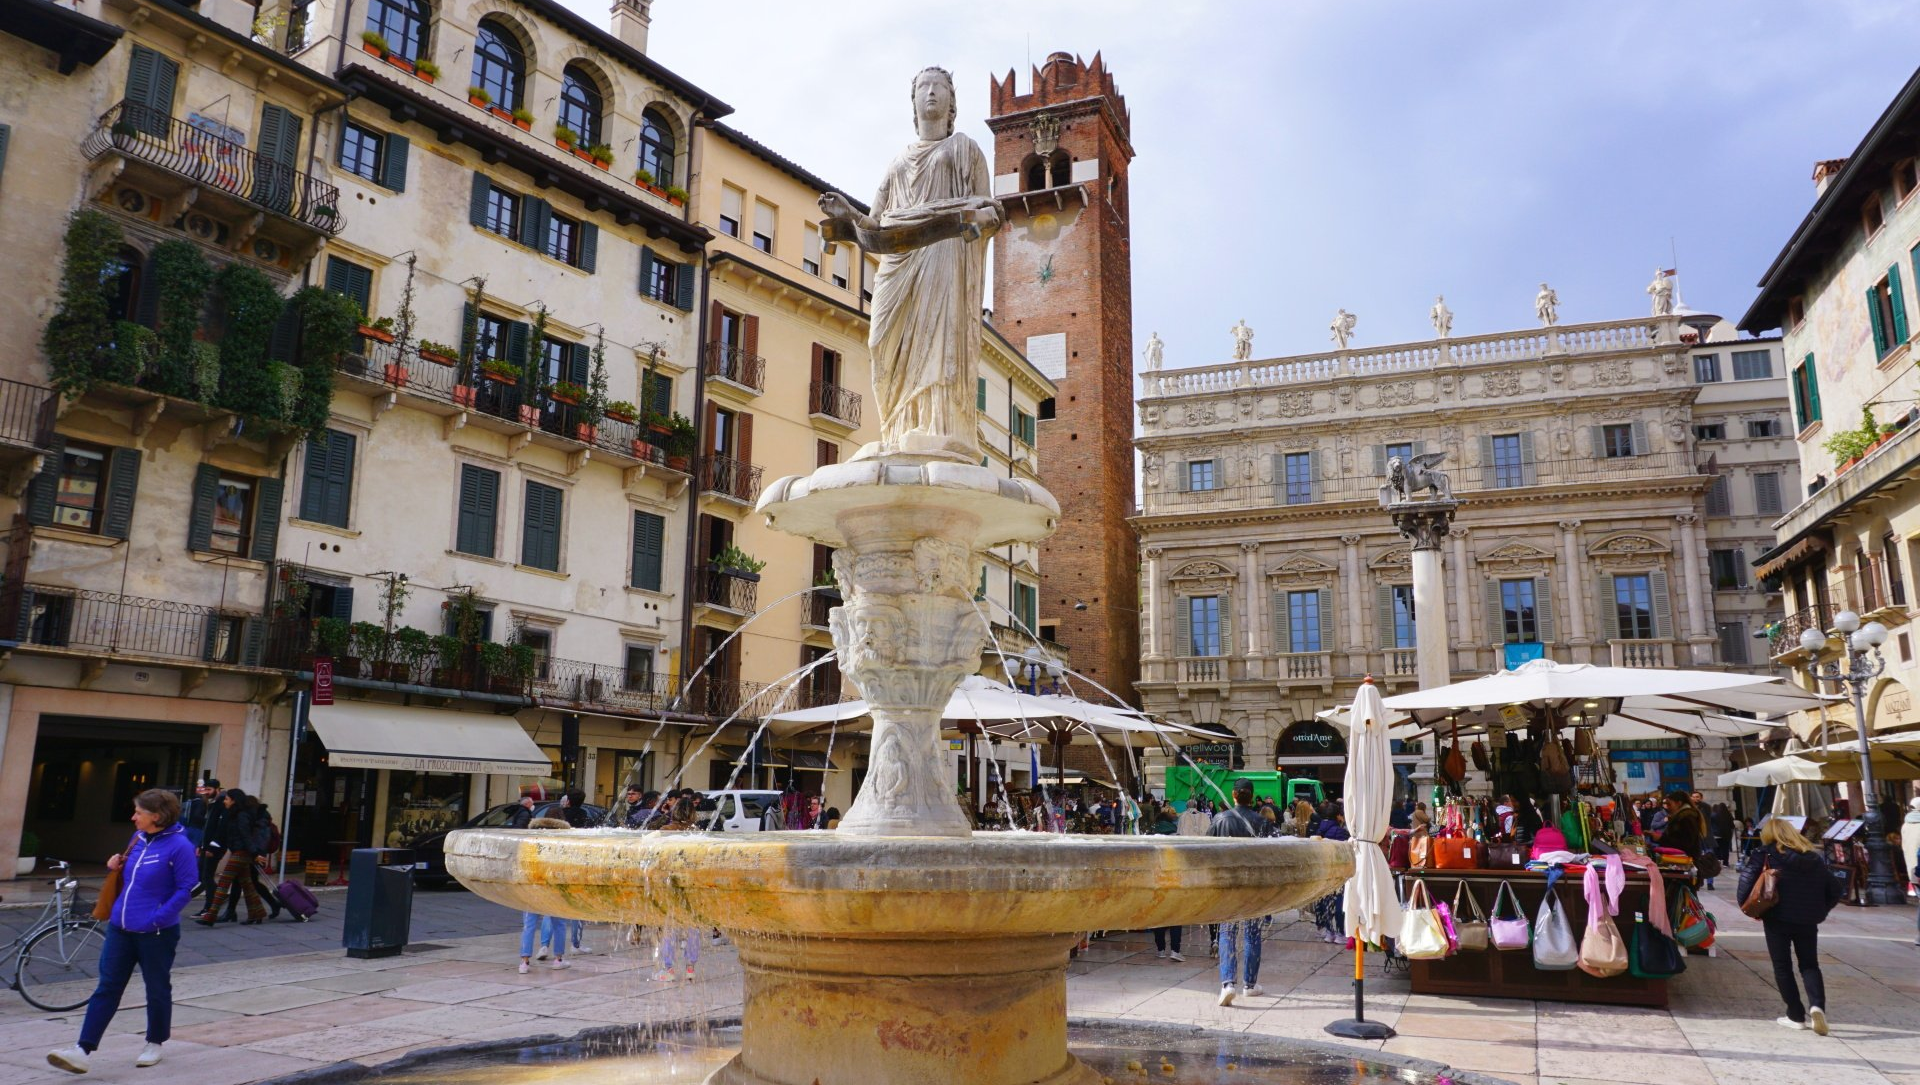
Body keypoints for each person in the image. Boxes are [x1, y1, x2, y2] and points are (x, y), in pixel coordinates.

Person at [47, 788, 196, 1074]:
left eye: (139, 812)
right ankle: (82, 1050)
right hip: (121, 928)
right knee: (107, 987)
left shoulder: (180, 846)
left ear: (157, 816)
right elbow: (130, 874)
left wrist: (158, 918)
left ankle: (155, 1042)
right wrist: (115, 863)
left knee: (156, 988)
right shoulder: (138, 838)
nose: (133, 817)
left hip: (156, 933)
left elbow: (187, 887)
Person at [1738, 818, 1842, 1034]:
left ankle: (1795, 1014)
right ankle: (1817, 1007)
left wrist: (1748, 906)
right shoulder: (1813, 858)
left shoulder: (1764, 854)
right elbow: (1835, 889)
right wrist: (1821, 910)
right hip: (1807, 919)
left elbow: (1746, 882)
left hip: (1777, 917)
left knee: (1782, 966)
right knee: (1809, 964)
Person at [1207, 779, 1273, 1006]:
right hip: (1254, 886)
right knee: (1253, 933)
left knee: (1227, 932)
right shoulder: (1262, 822)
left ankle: (1227, 984)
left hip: (1228, 886)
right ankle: (1250, 985)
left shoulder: (1220, 819)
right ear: (1252, 797)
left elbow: (1205, 850)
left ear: (1233, 794)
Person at [195, 790, 267, 926]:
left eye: (227, 799)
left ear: (234, 800)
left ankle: (210, 915)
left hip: (241, 853)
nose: (224, 801)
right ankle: (257, 913)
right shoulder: (234, 815)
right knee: (247, 885)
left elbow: (246, 836)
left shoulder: (241, 816)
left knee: (223, 882)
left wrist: (255, 854)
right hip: (239, 852)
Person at [518, 814, 576, 973]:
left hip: (533, 887)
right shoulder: (561, 843)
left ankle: (524, 962)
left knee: (528, 925)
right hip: (555, 888)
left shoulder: (530, 842)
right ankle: (558, 959)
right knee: (559, 924)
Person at [189, 778, 226, 901]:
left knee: (206, 876)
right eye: (206, 789)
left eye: (209, 789)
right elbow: (207, 828)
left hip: (213, 847)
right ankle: (217, 900)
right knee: (204, 876)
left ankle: (211, 905)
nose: (206, 792)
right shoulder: (211, 803)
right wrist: (201, 845)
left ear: (217, 789)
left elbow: (219, 829)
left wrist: (211, 847)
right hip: (207, 845)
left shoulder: (221, 805)